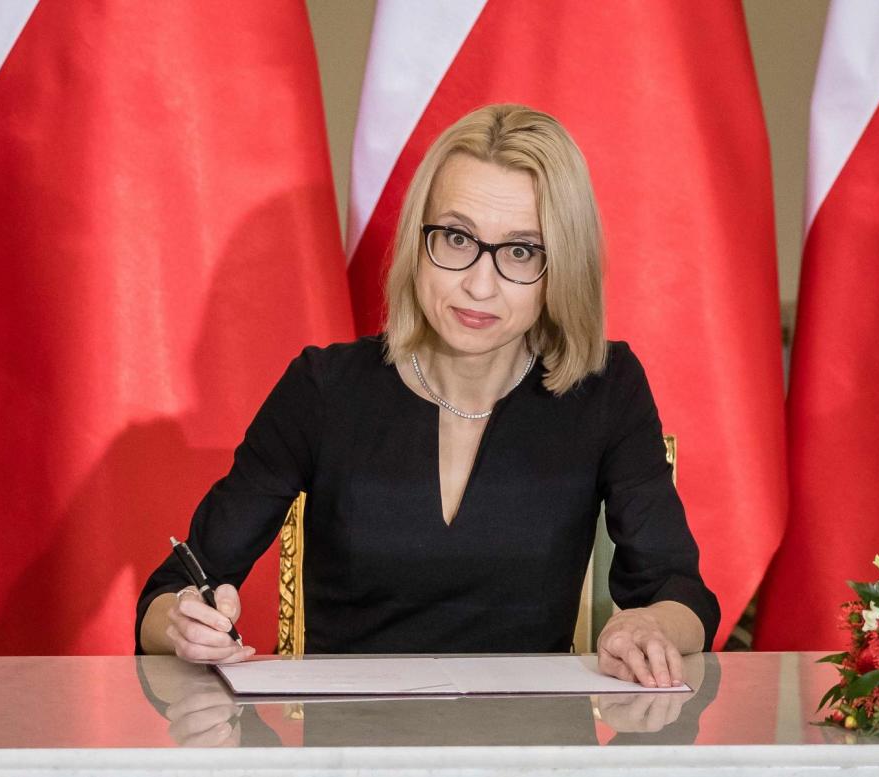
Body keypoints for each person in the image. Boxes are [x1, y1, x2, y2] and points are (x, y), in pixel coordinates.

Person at [136, 104, 720, 688]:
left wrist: (652, 626)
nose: (479, 283)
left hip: (530, 754)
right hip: (351, 755)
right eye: (458, 237)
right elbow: (169, 595)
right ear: (419, 241)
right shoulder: (323, 390)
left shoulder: (606, 387)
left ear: (561, 266)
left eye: (521, 251)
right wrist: (184, 624)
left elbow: (680, 593)